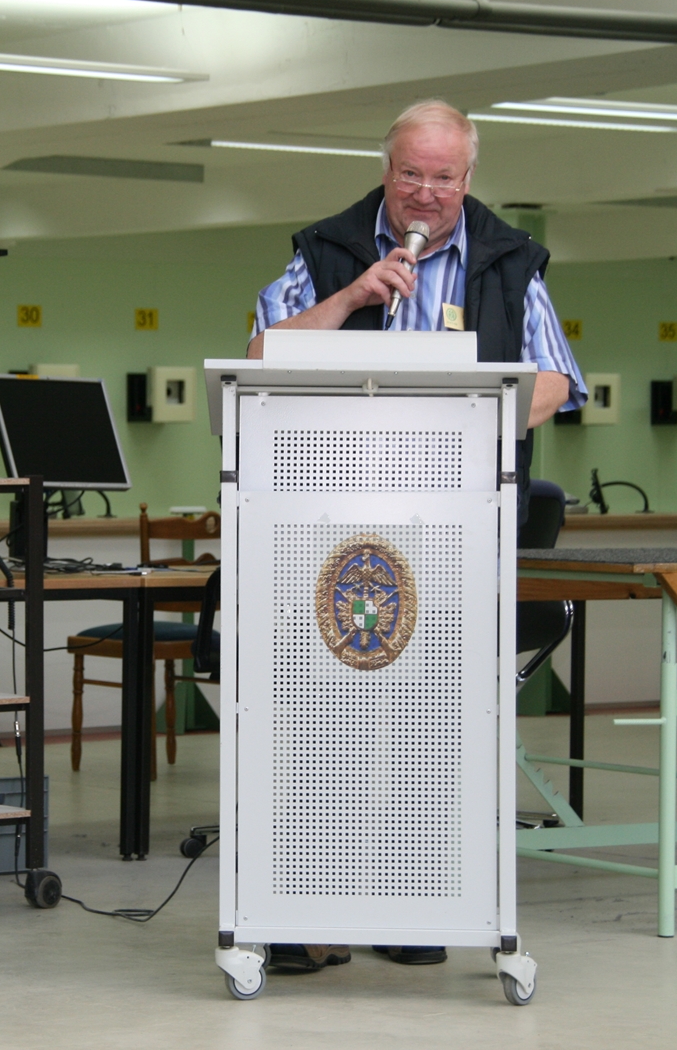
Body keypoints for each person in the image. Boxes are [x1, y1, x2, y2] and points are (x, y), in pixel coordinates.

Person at [249, 99, 585, 974]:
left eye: (444, 176)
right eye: (411, 173)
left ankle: (412, 902)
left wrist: (466, 417)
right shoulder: (325, 249)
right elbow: (261, 352)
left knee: (428, 729)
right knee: (322, 726)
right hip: (328, 535)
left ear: (468, 179)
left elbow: (556, 381)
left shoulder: (511, 260)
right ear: (386, 170)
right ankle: (307, 911)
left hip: (453, 536)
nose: (426, 193)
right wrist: (353, 296)